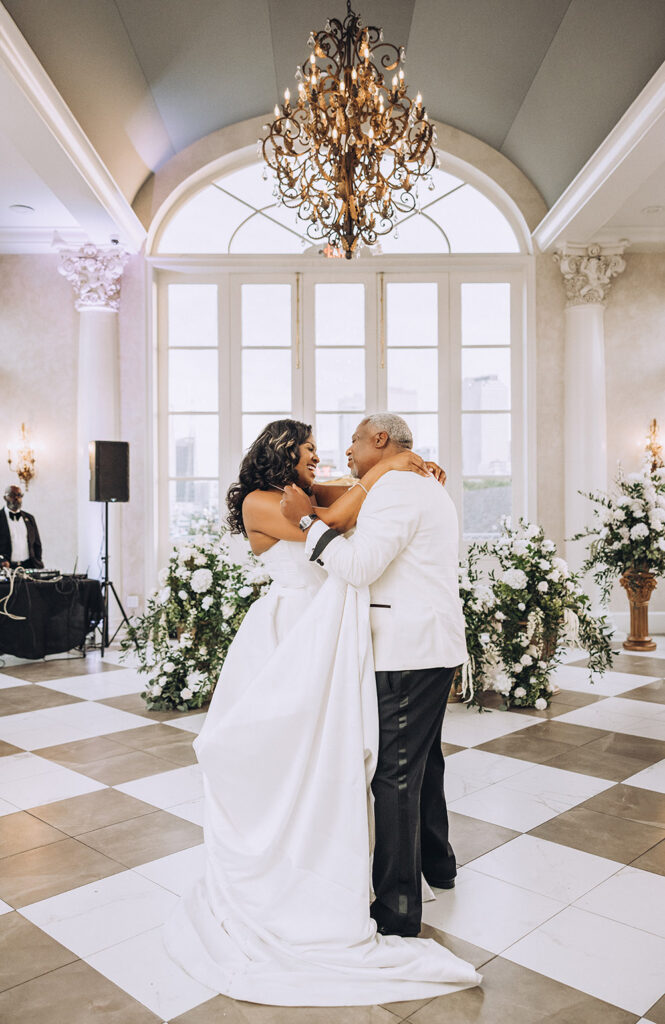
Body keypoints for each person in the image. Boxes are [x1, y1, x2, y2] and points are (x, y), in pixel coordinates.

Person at [164, 418, 480, 1007]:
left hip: (332, 631)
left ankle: (385, 867)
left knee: (364, 758)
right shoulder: (263, 502)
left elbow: (338, 502)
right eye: (310, 452)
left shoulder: (311, 492)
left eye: (328, 451)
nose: (324, 459)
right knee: (302, 757)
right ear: (283, 454)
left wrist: (389, 472)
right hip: (291, 633)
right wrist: (390, 469)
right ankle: (302, 860)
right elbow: (332, 520)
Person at [281, 413, 467, 938]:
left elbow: (359, 566)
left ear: (380, 440)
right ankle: (440, 864)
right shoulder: (409, 483)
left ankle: (399, 909)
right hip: (430, 642)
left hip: (409, 647)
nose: (346, 453)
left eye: (354, 442)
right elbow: (341, 494)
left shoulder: (399, 490)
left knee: (396, 775)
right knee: (425, 764)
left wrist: (306, 524)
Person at [0, 484, 44, 569]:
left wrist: (37, 561)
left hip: (28, 566)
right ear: (5, 498)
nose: (16, 498)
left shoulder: (29, 518)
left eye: (19, 495)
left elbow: (37, 544)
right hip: (6, 568)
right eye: (12, 495)